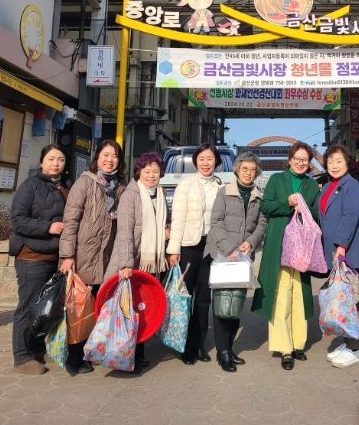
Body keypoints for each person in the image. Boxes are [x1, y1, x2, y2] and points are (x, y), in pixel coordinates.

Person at [59, 139, 127, 376]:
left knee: (97, 305)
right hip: (83, 254)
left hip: (107, 257)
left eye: (114, 156)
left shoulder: (120, 187)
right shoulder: (85, 183)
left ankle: (89, 352)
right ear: (97, 158)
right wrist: (67, 255)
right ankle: (73, 357)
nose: (109, 160)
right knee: (79, 309)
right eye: (105, 155)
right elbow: (70, 221)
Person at [251, 141, 320, 370]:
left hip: (302, 247)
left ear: (309, 163)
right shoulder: (276, 180)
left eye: (305, 160)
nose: (301, 163)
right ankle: (284, 348)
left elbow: (317, 213)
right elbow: (266, 207)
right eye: (297, 159)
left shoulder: (312, 185)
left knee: (299, 293)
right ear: (289, 160)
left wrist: (306, 210)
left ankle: (298, 343)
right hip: (279, 243)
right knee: (281, 295)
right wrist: (287, 203)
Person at [105, 152, 168, 373]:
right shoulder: (130, 195)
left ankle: (137, 352)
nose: (151, 175)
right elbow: (124, 232)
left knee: (142, 306)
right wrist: (126, 264)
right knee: (128, 308)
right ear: (139, 172)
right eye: (147, 171)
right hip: (132, 262)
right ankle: (125, 354)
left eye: (155, 171)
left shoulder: (159, 194)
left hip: (149, 262)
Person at [207, 151, 267, 372]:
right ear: (237, 170)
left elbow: (262, 224)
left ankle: (229, 347)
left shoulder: (258, 196)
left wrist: (250, 243)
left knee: (236, 303)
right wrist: (229, 248)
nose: (248, 173)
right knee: (222, 302)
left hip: (243, 257)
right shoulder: (224, 192)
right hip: (224, 255)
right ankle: (222, 351)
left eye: (252, 170)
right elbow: (216, 222)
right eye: (245, 169)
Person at [9, 145, 67, 375]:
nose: (56, 163)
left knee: (45, 307)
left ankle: (36, 349)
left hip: (53, 256)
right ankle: (22, 357)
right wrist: (48, 227)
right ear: (42, 162)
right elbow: (17, 220)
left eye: (60, 159)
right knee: (28, 306)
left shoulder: (63, 186)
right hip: (32, 256)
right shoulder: (30, 186)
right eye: (51, 159)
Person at [166, 142, 222, 364]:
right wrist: (173, 250)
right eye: (202, 159)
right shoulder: (186, 185)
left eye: (210, 159)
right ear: (196, 162)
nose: (206, 163)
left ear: (216, 161)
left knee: (204, 299)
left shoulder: (220, 186)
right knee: (184, 298)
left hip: (210, 248)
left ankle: (199, 345)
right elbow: (177, 218)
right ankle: (184, 346)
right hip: (188, 248)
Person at [318, 145, 359, 368]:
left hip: (347, 252)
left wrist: (341, 246)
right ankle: (348, 343)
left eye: (339, 161)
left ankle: (356, 348)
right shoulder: (329, 185)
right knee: (341, 298)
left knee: (352, 299)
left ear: (347, 162)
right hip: (335, 251)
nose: (334, 165)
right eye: (330, 161)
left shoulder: (351, 185)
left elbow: (350, 216)